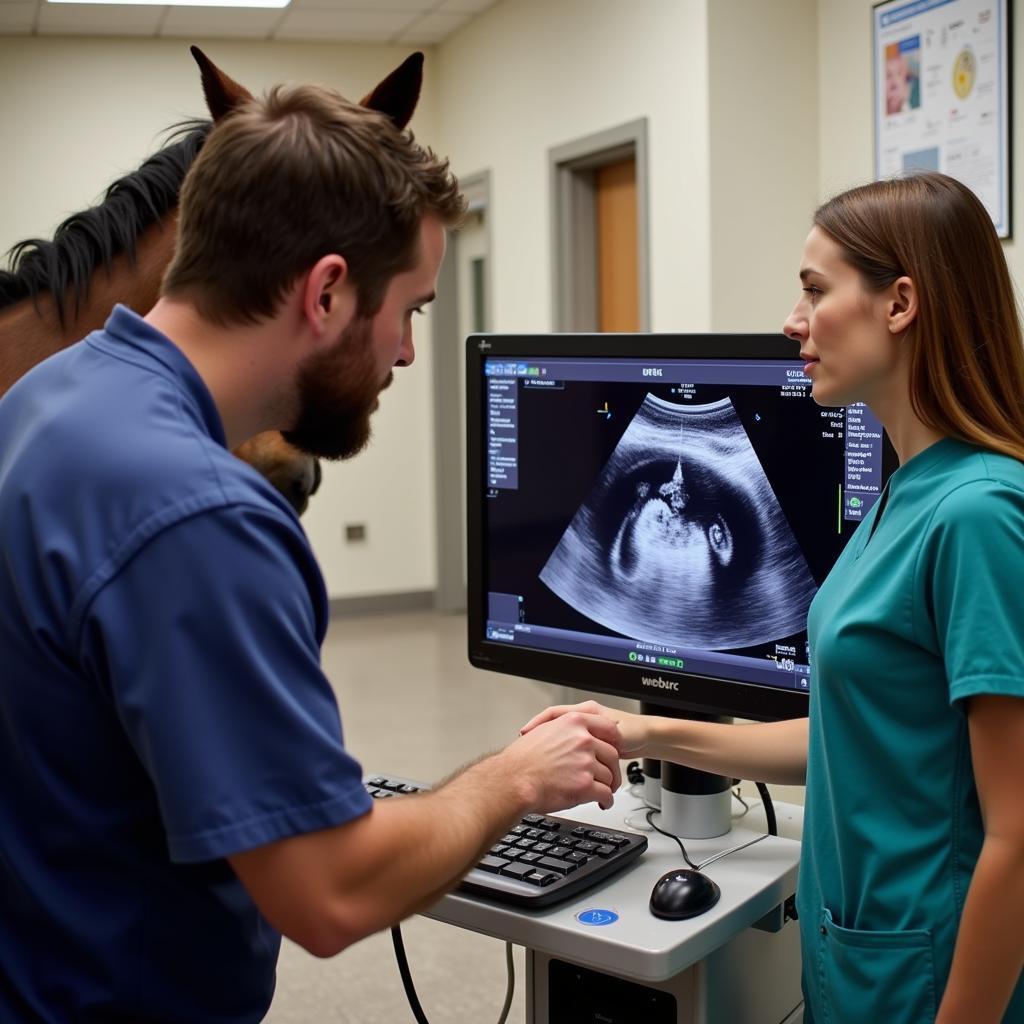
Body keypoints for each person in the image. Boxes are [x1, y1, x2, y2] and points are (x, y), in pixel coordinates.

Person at [0, 84, 623, 1022]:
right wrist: (513, 780)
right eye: (409, 310)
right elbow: (327, 894)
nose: (408, 355)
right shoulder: (202, 514)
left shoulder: (46, 401)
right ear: (326, 290)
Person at [523, 172, 1024, 1023]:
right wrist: (636, 730)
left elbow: (1019, 832)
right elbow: (848, 734)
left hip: (934, 981)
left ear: (899, 303)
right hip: (859, 956)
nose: (792, 322)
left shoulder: (979, 516)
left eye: (814, 290)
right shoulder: (900, 498)